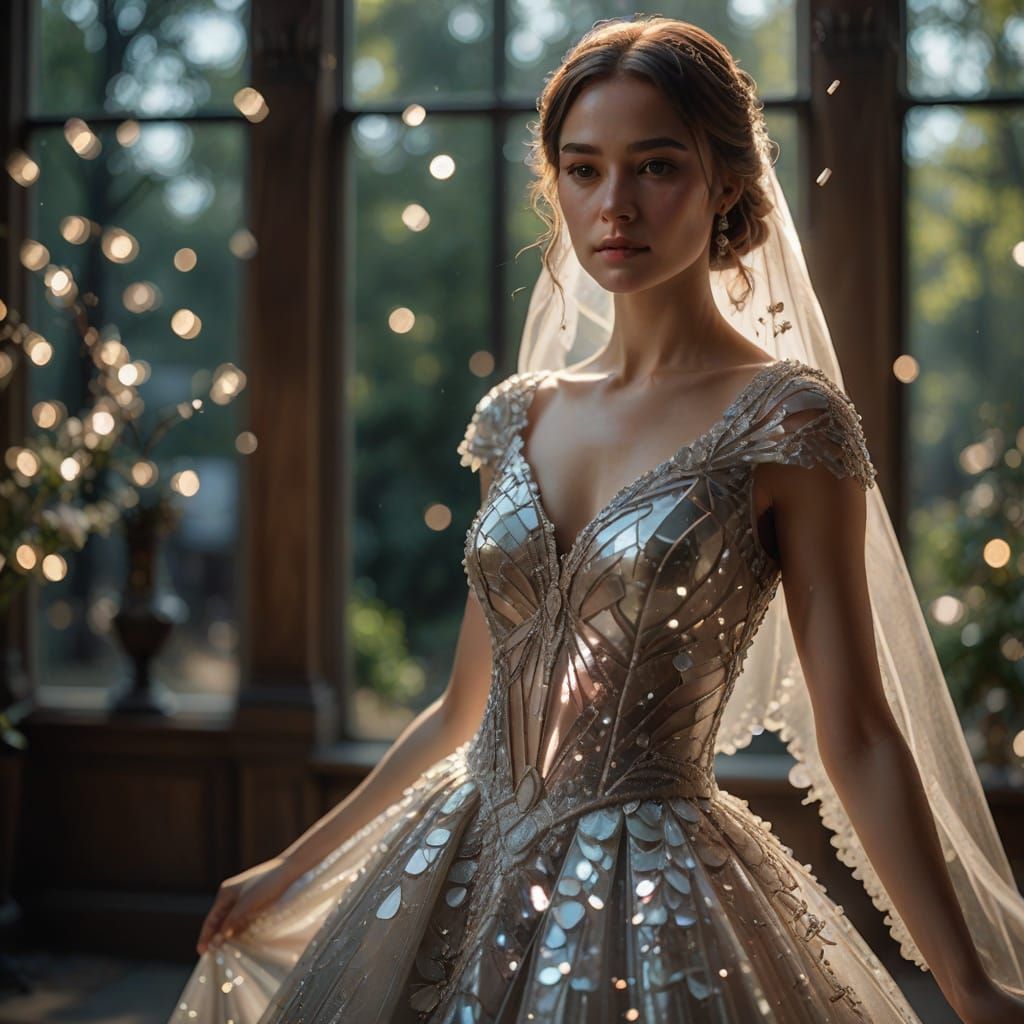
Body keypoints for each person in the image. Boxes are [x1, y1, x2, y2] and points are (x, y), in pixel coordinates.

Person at [168, 16, 1024, 1024]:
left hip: (653, 887)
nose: (614, 204)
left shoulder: (787, 421)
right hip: (453, 862)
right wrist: (292, 865)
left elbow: (861, 735)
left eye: (654, 166)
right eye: (582, 170)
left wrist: (969, 985)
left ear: (728, 185)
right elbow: (459, 713)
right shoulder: (518, 413)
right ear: (556, 188)